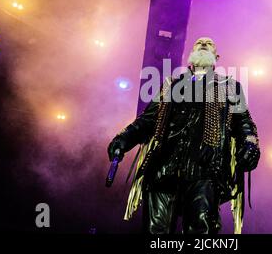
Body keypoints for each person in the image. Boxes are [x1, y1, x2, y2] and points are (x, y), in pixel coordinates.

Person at [107, 37, 260, 234]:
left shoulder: (229, 86)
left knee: (200, 231)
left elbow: (244, 122)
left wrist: (250, 145)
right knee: (155, 232)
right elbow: (148, 119)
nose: (204, 43)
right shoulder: (172, 84)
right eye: (199, 42)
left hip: (205, 169)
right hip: (163, 167)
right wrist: (123, 139)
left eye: (209, 43)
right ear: (191, 54)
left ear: (216, 56)